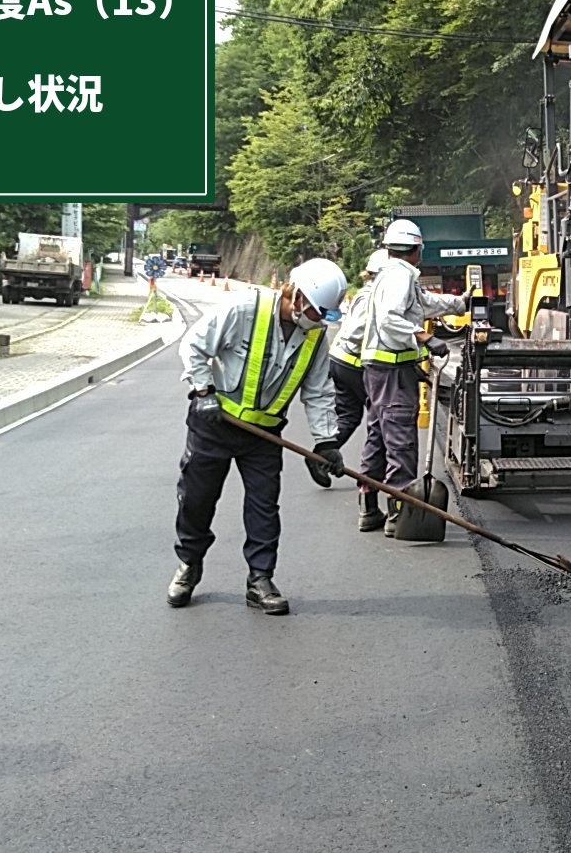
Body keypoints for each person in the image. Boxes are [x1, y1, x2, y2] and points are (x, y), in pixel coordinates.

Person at [167, 257, 348, 614]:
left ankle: (260, 579)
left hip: (264, 434)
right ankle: (189, 564)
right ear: (294, 295)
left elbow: (318, 390)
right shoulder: (244, 308)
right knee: (196, 500)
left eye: (325, 315)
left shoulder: (314, 336)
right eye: (315, 310)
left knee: (264, 507)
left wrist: (326, 442)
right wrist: (203, 393)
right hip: (214, 424)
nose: (318, 319)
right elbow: (195, 347)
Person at [359, 219, 467, 537]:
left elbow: (423, 304)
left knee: (378, 438)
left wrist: (459, 303)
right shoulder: (399, 277)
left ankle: (369, 507)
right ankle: (399, 515)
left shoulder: (393, 274)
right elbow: (391, 317)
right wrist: (424, 337)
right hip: (390, 370)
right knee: (401, 441)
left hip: (384, 368)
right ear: (417, 248)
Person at [323, 247, 389, 533]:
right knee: (382, 426)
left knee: (348, 416)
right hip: (356, 365)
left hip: (339, 360)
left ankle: (323, 453)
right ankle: (373, 501)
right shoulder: (378, 295)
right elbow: (361, 333)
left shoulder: (364, 292)